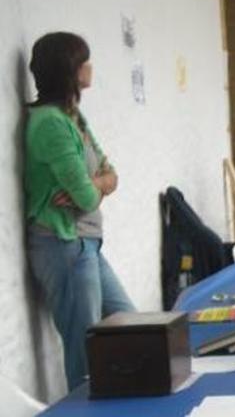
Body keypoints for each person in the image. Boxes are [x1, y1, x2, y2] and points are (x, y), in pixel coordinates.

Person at [24, 32, 135, 390]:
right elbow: (88, 197)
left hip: (86, 244)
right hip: (63, 245)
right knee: (87, 355)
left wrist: (98, 183)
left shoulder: (73, 117)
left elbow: (110, 173)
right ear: (69, 70)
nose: (90, 67)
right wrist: (97, 185)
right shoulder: (51, 124)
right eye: (84, 60)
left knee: (131, 325)